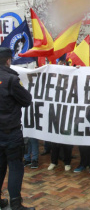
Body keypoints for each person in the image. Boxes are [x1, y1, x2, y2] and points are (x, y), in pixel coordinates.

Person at [0, 47, 35, 210]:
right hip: (10, 131)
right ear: (8, 60)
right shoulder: (11, 80)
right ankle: (15, 204)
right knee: (15, 166)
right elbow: (27, 100)